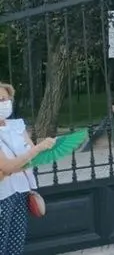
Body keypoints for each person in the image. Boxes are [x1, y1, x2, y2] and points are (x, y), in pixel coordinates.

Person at [0, 83, 56, 255]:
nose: (3, 103)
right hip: (2, 196)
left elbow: (33, 157)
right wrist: (35, 151)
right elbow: (6, 166)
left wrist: (48, 147)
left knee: (15, 246)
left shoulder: (16, 126)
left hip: (21, 192)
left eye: (5, 99)